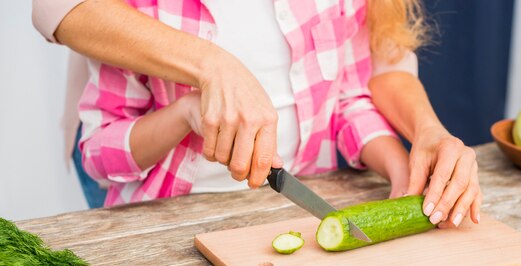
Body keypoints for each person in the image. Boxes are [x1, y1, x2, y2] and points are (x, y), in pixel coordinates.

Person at [32, 0, 481, 228]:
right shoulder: (144, 10)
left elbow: (349, 94)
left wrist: (402, 162)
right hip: (164, 215)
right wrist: (191, 104)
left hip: (276, 217)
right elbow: (100, 150)